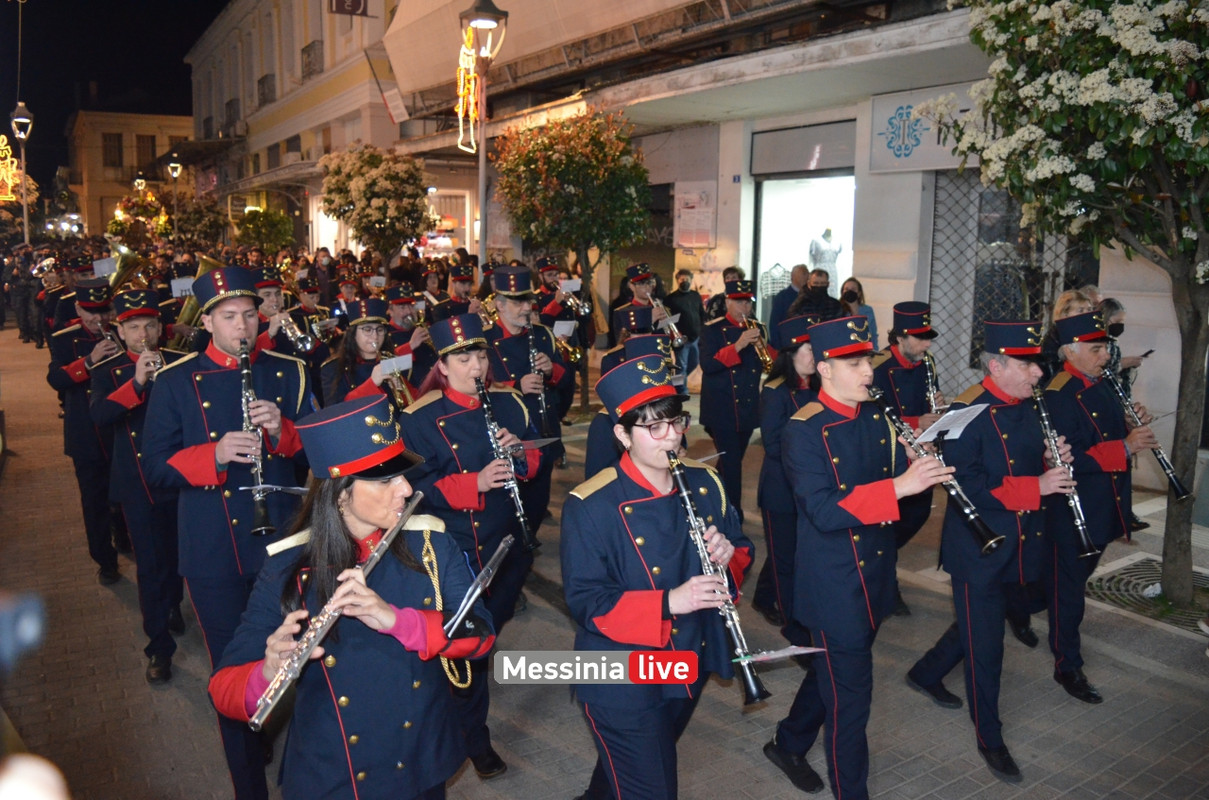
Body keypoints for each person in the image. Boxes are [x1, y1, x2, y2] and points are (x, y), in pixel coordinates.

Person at [208, 394, 495, 800]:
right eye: (385, 479)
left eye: (403, 474)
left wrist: (398, 621)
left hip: (418, 760)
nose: (407, 489)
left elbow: (481, 636)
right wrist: (268, 671)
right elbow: (223, 688)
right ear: (341, 493)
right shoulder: (288, 564)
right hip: (333, 772)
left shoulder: (431, 544)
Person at [764, 315, 953, 800]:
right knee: (853, 703)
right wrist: (900, 485)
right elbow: (823, 510)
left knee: (834, 676)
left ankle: (788, 742)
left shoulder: (875, 415)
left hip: (873, 578)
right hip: (832, 588)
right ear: (825, 369)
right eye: (854, 362)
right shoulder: (801, 429)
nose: (868, 370)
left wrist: (919, 464)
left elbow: (896, 491)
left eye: (868, 359)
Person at [142, 267, 313, 800]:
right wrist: (213, 454)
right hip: (213, 547)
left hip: (281, 544)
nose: (242, 327)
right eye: (229, 317)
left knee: (299, 657)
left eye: (249, 315)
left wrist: (282, 431)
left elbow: (316, 451)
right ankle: (248, 788)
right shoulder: (175, 381)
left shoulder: (288, 371)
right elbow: (155, 469)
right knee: (233, 670)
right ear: (208, 321)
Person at [562, 354, 753, 799]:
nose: (672, 438)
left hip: (688, 660)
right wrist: (671, 602)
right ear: (621, 435)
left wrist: (729, 557)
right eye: (653, 428)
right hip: (620, 676)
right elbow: (588, 601)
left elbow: (742, 548)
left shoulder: (705, 483)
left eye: (676, 422)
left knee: (629, 770)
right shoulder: (591, 504)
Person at [905, 320, 1075, 783]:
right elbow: (968, 486)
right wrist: (1037, 485)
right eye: (1028, 365)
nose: (1039, 373)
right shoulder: (966, 413)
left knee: (980, 621)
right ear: (996, 365)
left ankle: (925, 673)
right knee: (987, 647)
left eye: (1038, 364)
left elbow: (1024, 459)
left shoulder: (1027, 403)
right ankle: (991, 738)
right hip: (979, 546)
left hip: (1022, 542)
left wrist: (1052, 459)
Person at [402, 314, 540, 781]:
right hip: (454, 549)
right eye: (463, 357)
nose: (476, 364)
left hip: (505, 543)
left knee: (486, 640)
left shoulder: (507, 402)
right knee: (469, 649)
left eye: (480, 354)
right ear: (441, 364)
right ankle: (470, 739)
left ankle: (461, 726)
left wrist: (519, 454)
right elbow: (416, 487)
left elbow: (533, 459)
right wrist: (474, 482)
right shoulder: (419, 418)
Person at [1043, 311, 1157, 706]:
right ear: (1071, 352)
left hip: (1105, 502)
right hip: (1074, 506)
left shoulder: (1100, 381)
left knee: (1066, 583)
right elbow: (1065, 460)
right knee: (1068, 590)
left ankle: (1023, 609)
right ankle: (1066, 664)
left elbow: (1105, 426)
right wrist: (1124, 447)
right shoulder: (1058, 393)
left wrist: (1130, 421)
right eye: (1096, 349)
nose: (1106, 355)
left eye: (1105, 347)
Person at [88, 289, 187, 683]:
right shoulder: (107, 370)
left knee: (179, 555)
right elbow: (100, 414)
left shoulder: (180, 363)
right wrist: (138, 382)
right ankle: (158, 648)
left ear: (161, 328)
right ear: (121, 331)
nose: (142, 332)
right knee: (149, 567)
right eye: (133, 327)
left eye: (149, 325)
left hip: (179, 478)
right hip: (138, 485)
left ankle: (174, 604)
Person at [484, 265, 570, 539]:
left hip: (543, 432)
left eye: (528, 300)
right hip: (508, 437)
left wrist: (551, 371)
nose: (526, 307)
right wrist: (515, 386)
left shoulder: (543, 334)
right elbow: (475, 389)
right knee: (506, 512)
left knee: (536, 505)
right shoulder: (484, 340)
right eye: (517, 301)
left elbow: (564, 379)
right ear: (499, 304)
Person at [870, 301, 944, 615]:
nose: (927, 344)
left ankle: (880, 565)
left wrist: (938, 409)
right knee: (887, 523)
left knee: (916, 515)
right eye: (920, 337)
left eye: (928, 337)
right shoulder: (878, 367)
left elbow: (929, 404)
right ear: (900, 337)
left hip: (918, 455)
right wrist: (917, 422)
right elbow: (870, 418)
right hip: (887, 459)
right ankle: (884, 584)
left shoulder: (926, 363)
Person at [46, 278, 120, 584]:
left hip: (118, 430)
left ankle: (126, 539)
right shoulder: (64, 338)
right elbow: (56, 380)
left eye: (103, 311)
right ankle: (105, 560)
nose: (98, 319)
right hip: (86, 434)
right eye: (91, 312)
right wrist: (89, 361)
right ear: (78, 307)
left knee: (125, 496)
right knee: (94, 502)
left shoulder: (120, 331)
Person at [750, 315, 818, 639]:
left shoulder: (821, 388)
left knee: (794, 555)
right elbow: (774, 444)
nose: (816, 355)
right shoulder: (776, 392)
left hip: (811, 489)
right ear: (792, 353)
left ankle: (764, 595)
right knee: (787, 562)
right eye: (809, 348)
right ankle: (796, 630)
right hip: (782, 491)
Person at [698, 279, 770, 521]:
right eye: (739, 302)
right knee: (732, 466)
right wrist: (738, 345)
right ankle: (733, 516)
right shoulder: (713, 329)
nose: (745, 308)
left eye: (748, 303)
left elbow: (766, 363)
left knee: (731, 462)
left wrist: (764, 348)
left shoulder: (758, 327)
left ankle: (712, 500)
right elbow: (708, 365)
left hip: (748, 408)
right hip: (722, 409)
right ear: (728, 301)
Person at [320, 298, 415, 408]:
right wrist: (372, 384)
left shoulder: (393, 360)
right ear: (353, 333)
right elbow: (335, 413)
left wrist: (402, 390)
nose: (375, 336)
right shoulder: (333, 368)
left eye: (379, 330)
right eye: (367, 329)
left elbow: (414, 400)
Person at [661, 268, 704, 379]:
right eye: (681, 279)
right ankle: (680, 390)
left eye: (687, 279)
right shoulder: (670, 299)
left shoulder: (695, 296)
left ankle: (678, 382)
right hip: (681, 339)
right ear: (677, 281)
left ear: (691, 279)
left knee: (693, 364)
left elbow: (701, 314)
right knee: (681, 366)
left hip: (695, 339)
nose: (684, 281)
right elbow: (666, 321)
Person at [768, 264, 808, 348]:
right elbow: (774, 324)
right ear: (793, 276)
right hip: (787, 344)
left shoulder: (810, 295)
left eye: (806, 273)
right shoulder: (782, 297)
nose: (805, 277)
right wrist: (777, 347)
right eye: (802, 273)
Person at [839, 278, 877, 350]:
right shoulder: (838, 310)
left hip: (865, 350)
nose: (849, 291)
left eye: (853, 289)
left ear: (859, 293)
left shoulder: (868, 310)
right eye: (846, 289)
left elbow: (873, 334)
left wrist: (875, 351)